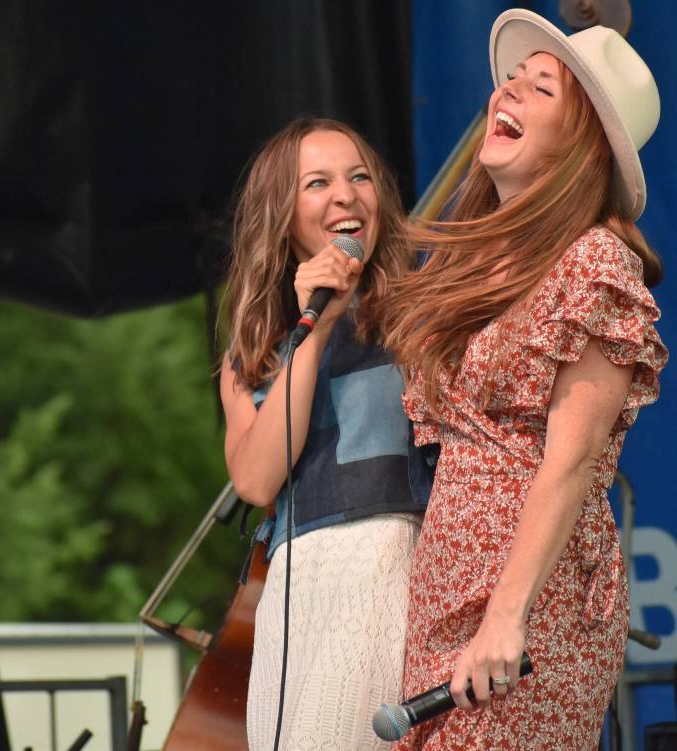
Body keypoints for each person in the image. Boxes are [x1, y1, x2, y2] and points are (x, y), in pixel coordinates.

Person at [380, 10, 667, 749]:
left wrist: (507, 612)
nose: (505, 92)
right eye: (510, 78)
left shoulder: (595, 263)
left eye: (539, 88)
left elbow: (569, 462)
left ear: (579, 145)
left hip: (529, 599)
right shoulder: (484, 259)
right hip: (449, 582)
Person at [220, 117, 434, 750]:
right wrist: (314, 329)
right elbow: (257, 478)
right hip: (301, 587)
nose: (345, 195)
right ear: (283, 218)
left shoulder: (424, 314)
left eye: (359, 176)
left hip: (394, 565)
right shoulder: (254, 351)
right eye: (318, 182)